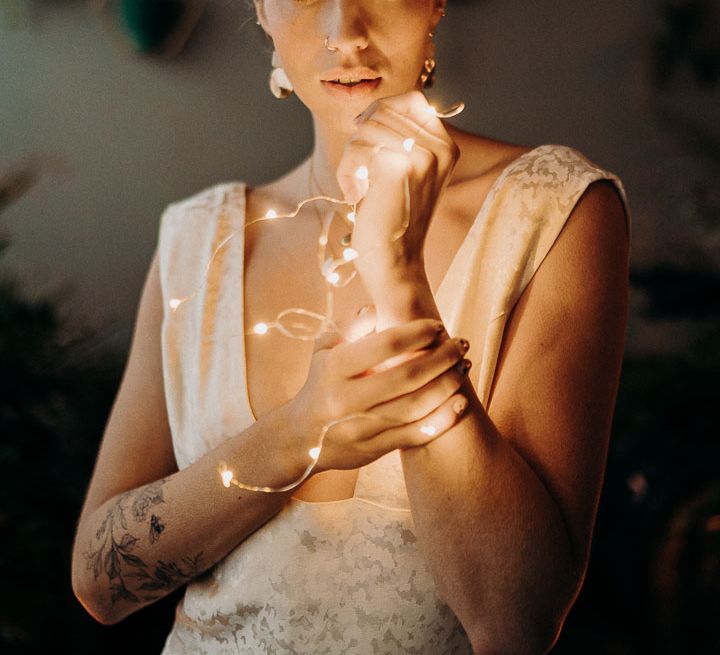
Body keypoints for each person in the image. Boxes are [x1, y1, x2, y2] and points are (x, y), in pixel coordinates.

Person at [71, 1, 632, 653]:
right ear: (261, 10)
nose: (347, 33)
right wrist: (300, 433)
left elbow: (516, 619)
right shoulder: (199, 239)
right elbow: (101, 584)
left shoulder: (555, 209)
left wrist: (396, 268)